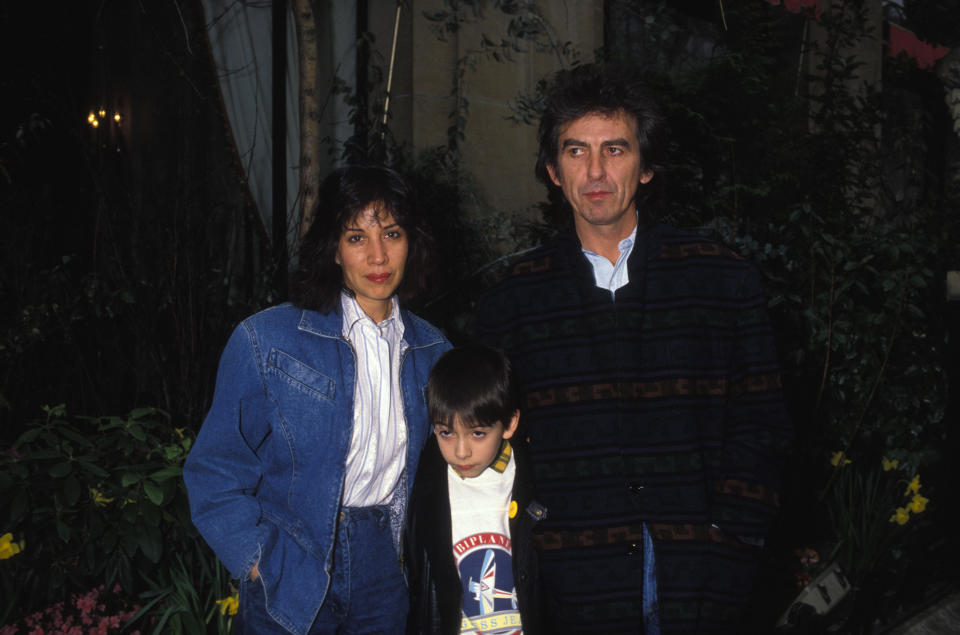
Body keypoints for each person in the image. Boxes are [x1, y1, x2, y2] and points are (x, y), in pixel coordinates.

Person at [475, 63, 793, 633]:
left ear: (645, 166)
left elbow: (762, 420)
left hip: (701, 578)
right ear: (552, 170)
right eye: (576, 152)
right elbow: (492, 439)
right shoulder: (511, 299)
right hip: (571, 583)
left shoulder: (721, 280)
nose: (596, 171)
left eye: (616, 149)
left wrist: (735, 538)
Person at [183, 165, 452, 635]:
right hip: (292, 562)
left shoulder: (434, 353)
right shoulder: (266, 340)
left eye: (391, 233)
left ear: (412, 242)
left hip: (387, 571)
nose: (377, 254)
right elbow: (215, 468)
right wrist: (257, 560)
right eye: (355, 237)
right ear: (332, 249)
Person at [406, 345, 546, 635]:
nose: (461, 451)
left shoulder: (533, 482)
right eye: (446, 432)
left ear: (509, 424)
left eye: (477, 433)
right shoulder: (425, 489)